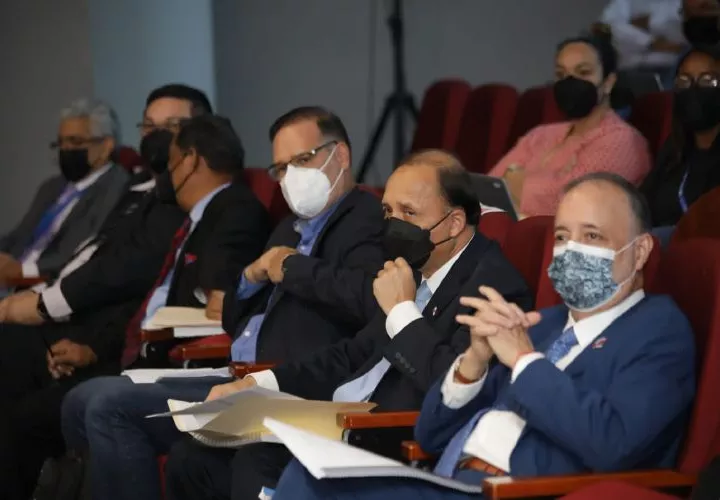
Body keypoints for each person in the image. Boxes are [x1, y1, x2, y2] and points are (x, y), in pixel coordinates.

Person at [272, 172, 696, 500]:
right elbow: (430, 435)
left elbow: (613, 444)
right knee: (304, 475)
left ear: (640, 251)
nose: (571, 250)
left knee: (311, 489)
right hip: (452, 479)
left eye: (592, 236)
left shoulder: (658, 331)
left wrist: (525, 361)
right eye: (562, 237)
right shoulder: (543, 323)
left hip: (519, 492)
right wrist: (470, 367)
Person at [161, 150, 533, 500]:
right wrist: (257, 384)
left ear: (454, 223)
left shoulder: (493, 287)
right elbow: (352, 354)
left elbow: (452, 386)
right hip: (337, 419)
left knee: (256, 461)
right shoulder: (419, 266)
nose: (395, 225)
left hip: (391, 439)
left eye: (409, 212)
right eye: (388, 211)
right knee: (192, 460)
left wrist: (402, 311)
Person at [60, 106, 385, 500]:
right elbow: (233, 317)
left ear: (341, 155)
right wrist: (249, 279)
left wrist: (289, 267)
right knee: (80, 400)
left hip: (286, 386)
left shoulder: (365, 218)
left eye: (302, 160)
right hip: (236, 376)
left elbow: (363, 296)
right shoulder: (288, 227)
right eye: (281, 168)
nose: (290, 177)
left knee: (109, 407)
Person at [0, 83, 212, 326]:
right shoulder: (136, 186)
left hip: (91, 315)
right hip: (57, 297)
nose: (157, 135)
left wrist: (43, 300)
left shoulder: (168, 195)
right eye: (149, 126)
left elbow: (123, 268)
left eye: (171, 125)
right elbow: (96, 248)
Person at [488, 36, 652, 218]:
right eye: (561, 74)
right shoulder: (541, 134)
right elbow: (488, 188)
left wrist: (516, 182)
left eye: (583, 72)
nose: (570, 82)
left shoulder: (622, 141)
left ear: (608, 82)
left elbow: (573, 201)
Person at [0, 98, 129, 285]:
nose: (66, 149)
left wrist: (22, 271)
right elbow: (18, 236)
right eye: (61, 142)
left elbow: (81, 253)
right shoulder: (52, 187)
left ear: (106, 146)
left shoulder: (117, 188)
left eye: (75, 141)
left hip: (47, 285)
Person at [642, 46, 720, 245]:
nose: (693, 89)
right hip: (657, 252)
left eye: (708, 81)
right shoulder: (676, 147)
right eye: (684, 81)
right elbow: (642, 202)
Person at [600, 0, 687, 93]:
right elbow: (606, 27)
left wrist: (647, 22)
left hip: (672, 69)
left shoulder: (680, 4)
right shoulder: (624, 2)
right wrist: (651, 42)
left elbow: (679, 31)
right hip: (627, 68)